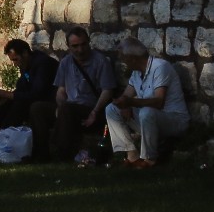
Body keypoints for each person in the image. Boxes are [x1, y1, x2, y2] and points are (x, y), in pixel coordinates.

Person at [105, 35, 188, 169]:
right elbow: (126, 95)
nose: (123, 62)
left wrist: (130, 103)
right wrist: (123, 103)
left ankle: (149, 159)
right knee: (111, 109)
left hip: (173, 120)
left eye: (124, 58)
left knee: (147, 112)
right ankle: (132, 156)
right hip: (151, 120)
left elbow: (158, 102)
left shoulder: (160, 67)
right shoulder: (137, 73)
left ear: (132, 58)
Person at [0, 37, 56, 158]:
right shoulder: (26, 64)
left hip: (47, 103)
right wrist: (3, 97)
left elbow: (37, 93)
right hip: (33, 100)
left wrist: (5, 94)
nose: (15, 64)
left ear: (25, 53)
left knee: (17, 106)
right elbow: (22, 89)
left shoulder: (43, 64)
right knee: (3, 106)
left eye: (16, 59)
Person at [51, 27, 118, 163]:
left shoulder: (100, 61)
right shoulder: (66, 62)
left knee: (67, 110)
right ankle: (40, 153)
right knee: (38, 109)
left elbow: (107, 90)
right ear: (69, 46)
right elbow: (61, 90)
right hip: (70, 107)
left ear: (88, 42)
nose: (80, 50)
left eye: (83, 45)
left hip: (92, 108)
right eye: (75, 46)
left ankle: (63, 156)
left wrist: (94, 112)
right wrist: (60, 105)